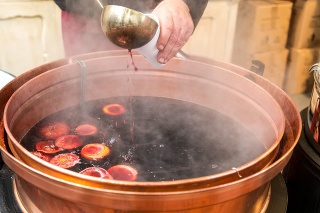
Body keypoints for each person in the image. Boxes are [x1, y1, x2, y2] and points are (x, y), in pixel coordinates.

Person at [53, 0, 208, 64]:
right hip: (85, 18)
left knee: (157, 93)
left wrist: (184, 1)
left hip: (159, 18)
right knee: (86, 89)